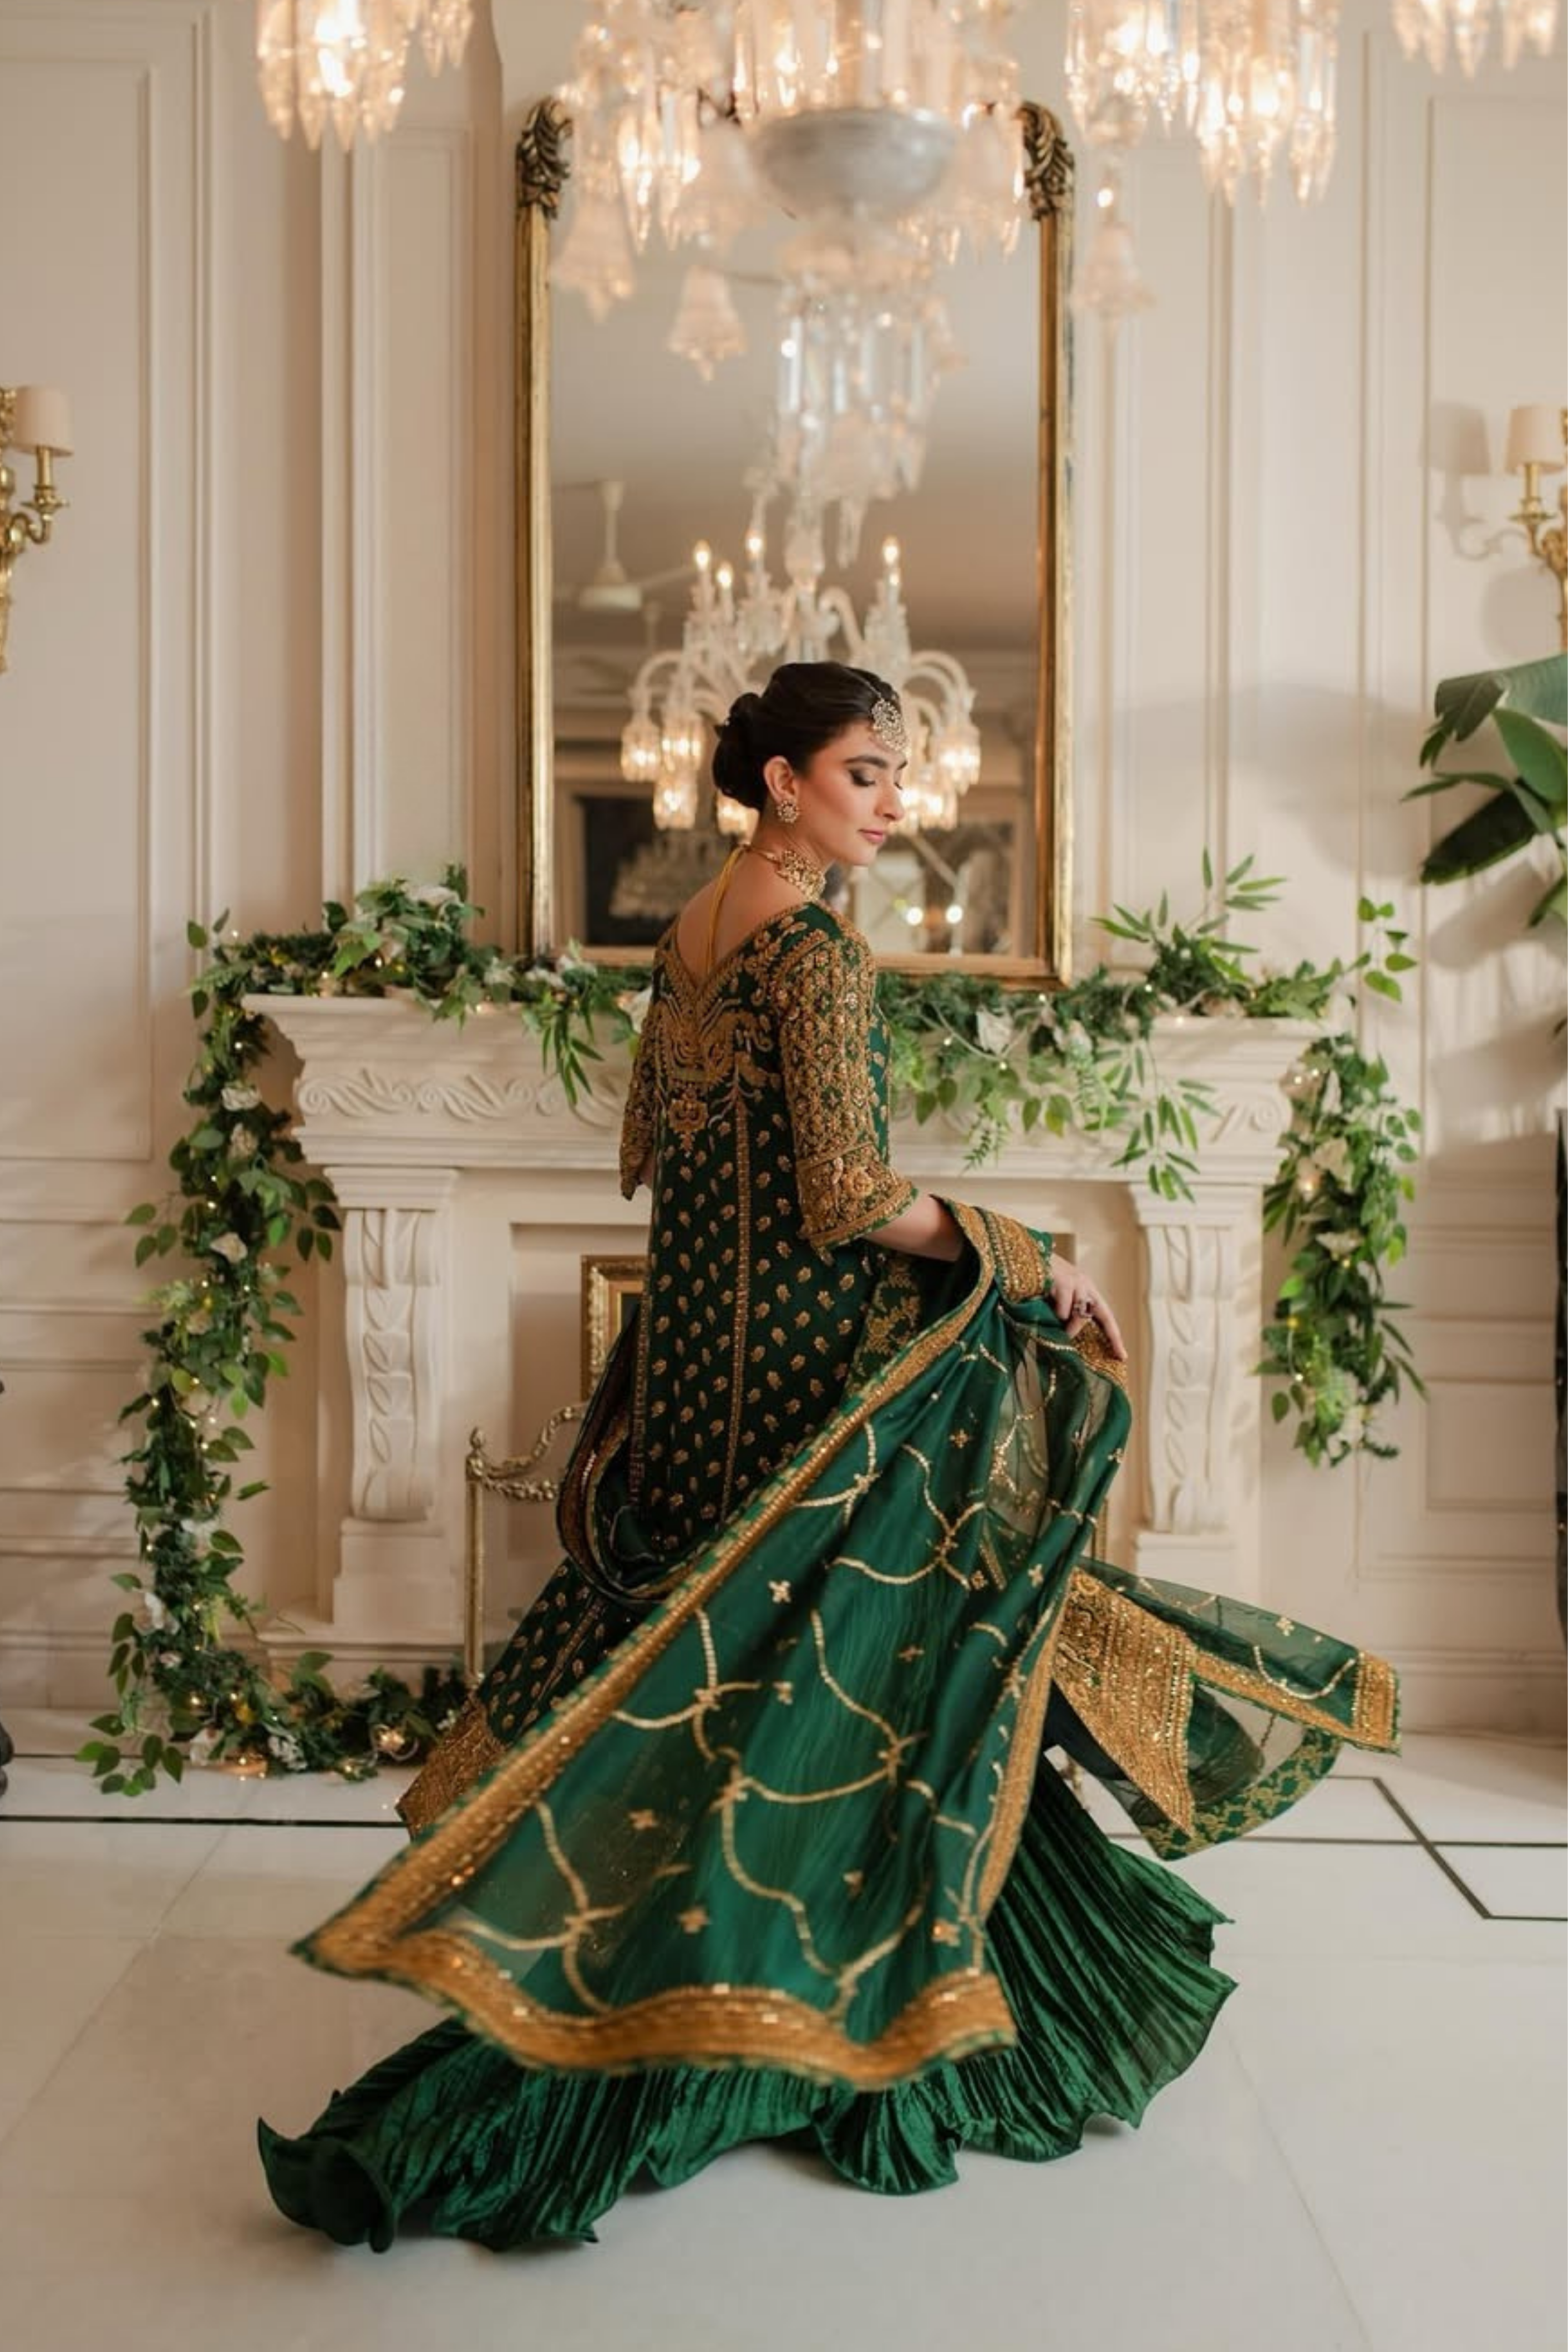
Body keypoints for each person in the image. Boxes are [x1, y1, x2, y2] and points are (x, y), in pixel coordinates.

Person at [258, 661, 1399, 2251]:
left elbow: (656, 1163)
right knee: (874, 1662)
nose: (895, 800)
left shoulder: (690, 936)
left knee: (748, 1684)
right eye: (867, 770)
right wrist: (1028, 1256)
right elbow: (855, 1197)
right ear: (784, 781)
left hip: (694, 1373)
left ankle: (733, 1975)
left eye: (899, 771)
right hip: (800, 1377)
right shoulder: (814, 954)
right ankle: (836, 2005)